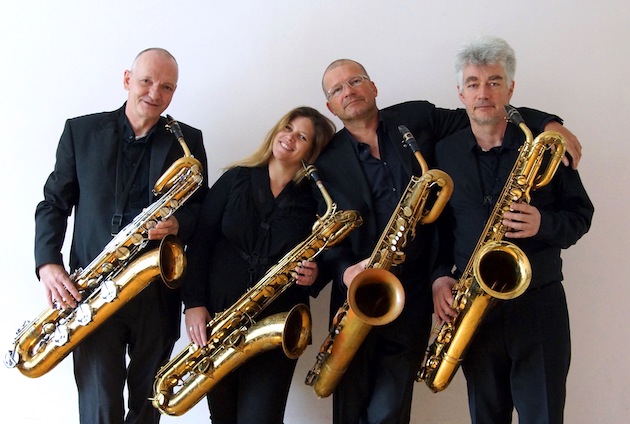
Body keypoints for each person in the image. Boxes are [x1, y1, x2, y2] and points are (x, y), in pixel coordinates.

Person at [312, 58, 583, 424]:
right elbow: (323, 234)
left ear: (373, 87)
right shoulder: (324, 161)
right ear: (330, 106)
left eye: (356, 80)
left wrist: (549, 124)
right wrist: (346, 272)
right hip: (358, 294)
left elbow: (484, 110)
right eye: (337, 89)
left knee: (392, 408)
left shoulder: (415, 119)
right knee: (350, 404)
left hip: (413, 296)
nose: (349, 91)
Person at [34, 47, 208, 424]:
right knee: (100, 406)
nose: (155, 93)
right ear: (127, 79)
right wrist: (48, 263)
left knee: (147, 408)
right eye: (146, 81)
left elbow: (202, 212)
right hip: (92, 291)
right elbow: (53, 203)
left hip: (157, 291)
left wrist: (178, 224)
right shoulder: (80, 132)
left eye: (167, 87)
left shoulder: (187, 140)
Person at [431, 36, 594, 424]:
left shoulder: (544, 149)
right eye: (473, 83)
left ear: (511, 89)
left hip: (538, 305)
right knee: (486, 416)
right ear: (460, 93)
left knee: (544, 416)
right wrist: (439, 278)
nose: (483, 93)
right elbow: (439, 230)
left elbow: (581, 215)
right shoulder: (445, 152)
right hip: (474, 305)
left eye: (494, 82)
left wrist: (543, 224)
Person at [182, 106, 336, 424]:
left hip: (278, 320)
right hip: (220, 318)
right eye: (288, 128)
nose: (290, 138)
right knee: (222, 418)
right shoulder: (235, 178)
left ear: (312, 152)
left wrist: (316, 273)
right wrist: (193, 303)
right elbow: (199, 243)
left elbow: (329, 252)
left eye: (302, 137)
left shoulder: (317, 199)